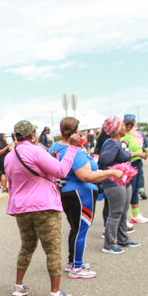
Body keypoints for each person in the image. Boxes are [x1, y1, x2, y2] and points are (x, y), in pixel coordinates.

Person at [5, 120, 79, 296]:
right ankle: (55, 293)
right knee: (53, 250)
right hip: (44, 207)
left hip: (21, 209)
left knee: (27, 247)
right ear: (32, 135)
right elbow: (61, 170)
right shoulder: (37, 150)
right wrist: (72, 148)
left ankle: (18, 286)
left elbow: (11, 185)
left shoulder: (9, 157)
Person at [50, 118, 123, 278]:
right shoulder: (73, 150)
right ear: (75, 132)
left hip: (65, 192)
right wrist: (112, 172)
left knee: (75, 229)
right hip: (80, 193)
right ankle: (77, 266)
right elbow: (85, 176)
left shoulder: (55, 146)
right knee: (80, 230)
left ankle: (73, 262)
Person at [99, 115, 139, 254]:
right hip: (113, 183)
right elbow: (106, 159)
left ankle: (123, 239)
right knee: (115, 212)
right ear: (116, 130)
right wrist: (118, 144)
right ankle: (109, 244)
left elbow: (124, 157)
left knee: (123, 212)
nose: (124, 127)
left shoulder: (119, 142)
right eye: (122, 125)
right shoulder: (112, 143)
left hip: (124, 181)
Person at [120, 115, 148, 224]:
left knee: (136, 189)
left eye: (131, 123)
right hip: (128, 165)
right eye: (127, 123)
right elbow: (123, 153)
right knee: (128, 191)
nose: (129, 126)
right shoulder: (122, 135)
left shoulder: (135, 134)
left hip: (137, 162)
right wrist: (139, 154)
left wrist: (143, 153)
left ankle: (135, 215)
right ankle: (124, 218)